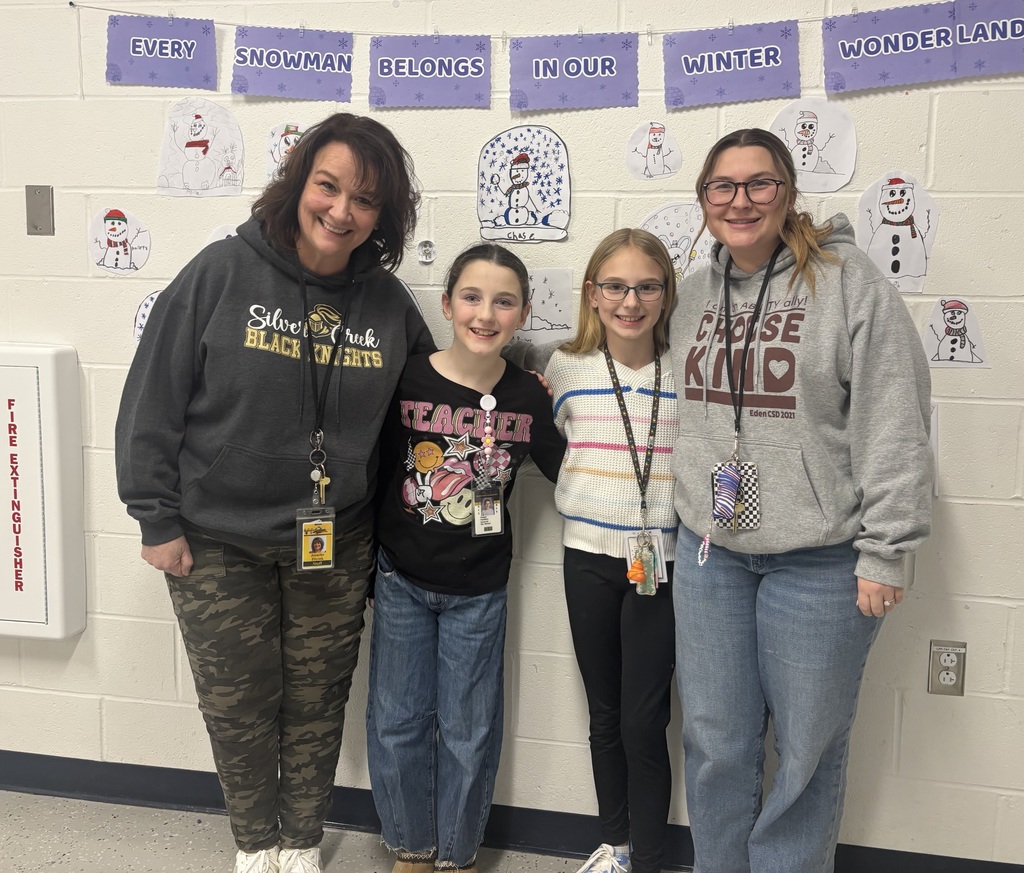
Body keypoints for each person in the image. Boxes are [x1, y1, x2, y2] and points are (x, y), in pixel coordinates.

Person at [115, 112, 432, 873]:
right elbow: (151, 400)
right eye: (328, 186)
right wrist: (155, 516)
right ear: (298, 184)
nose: (341, 210)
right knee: (239, 703)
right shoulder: (221, 272)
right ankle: (255, 842)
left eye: (365, 200)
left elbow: (425, 413)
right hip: (216, 538)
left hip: (336, 539)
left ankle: (301, 839)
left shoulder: (389, 307)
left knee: (319, 702)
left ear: (383, 216)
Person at [670, 128, 932, 872]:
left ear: (788, 194)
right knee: (715, 742)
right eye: (724, 186)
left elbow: (895, 417)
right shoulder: (693, 294)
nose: (741, 200)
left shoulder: (849, 281)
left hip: (818, 562)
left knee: (806, 750)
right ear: (705, 201)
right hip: (711, 554)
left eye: (760, 184)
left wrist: (888, 549)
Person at [366, 244, 566, 873]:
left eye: (504, 301)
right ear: (448, 304)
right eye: (472, 298)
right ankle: (410, 849)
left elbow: (571, 475)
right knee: (397, 723)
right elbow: (367, 467)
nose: (486, 314)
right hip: (401, 579)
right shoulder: (407, 377)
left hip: (479, 590)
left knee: (468, 733)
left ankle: (455, 855)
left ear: (523, 313)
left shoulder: (528, 399)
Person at [545, 229, 679, 873]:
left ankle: (650, 858)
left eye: (647, 286)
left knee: (643, 722)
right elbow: (547, 450)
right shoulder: (563, 368)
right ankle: (617, 845)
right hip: (588, 559)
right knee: (604, 713)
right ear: (593, 296)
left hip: (664, 565)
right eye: (616, 286)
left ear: (665, 294)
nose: (631, 301)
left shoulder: (687, 368)